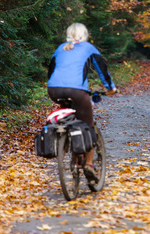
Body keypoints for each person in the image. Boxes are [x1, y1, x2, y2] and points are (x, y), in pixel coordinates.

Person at [47, 22, 117, 182]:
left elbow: (51, 70)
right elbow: (102, 69)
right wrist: (111, 88)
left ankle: (67, 143)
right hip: (77, 91)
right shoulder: (88, 48)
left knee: (68, 117)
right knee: (88, 124)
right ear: (84, 35)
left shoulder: (60, 48)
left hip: (54, 90)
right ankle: (89, 165)